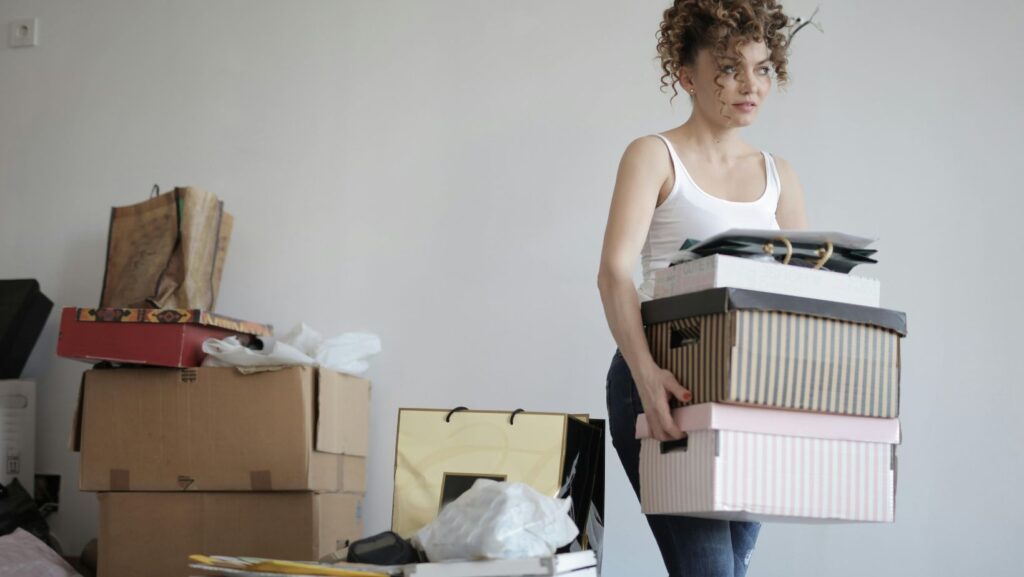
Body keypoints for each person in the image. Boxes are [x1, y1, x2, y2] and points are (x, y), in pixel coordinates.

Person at [597, 1, 809, 575]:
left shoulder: (779, 175)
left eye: (763, 68)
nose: (751, 85)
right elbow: (615, 272)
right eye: (729, 68)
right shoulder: (653, 155)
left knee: (730, 569)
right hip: (665, 379)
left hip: (753, 394)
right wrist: (646, 379)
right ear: (687, 75)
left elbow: (797, 300)